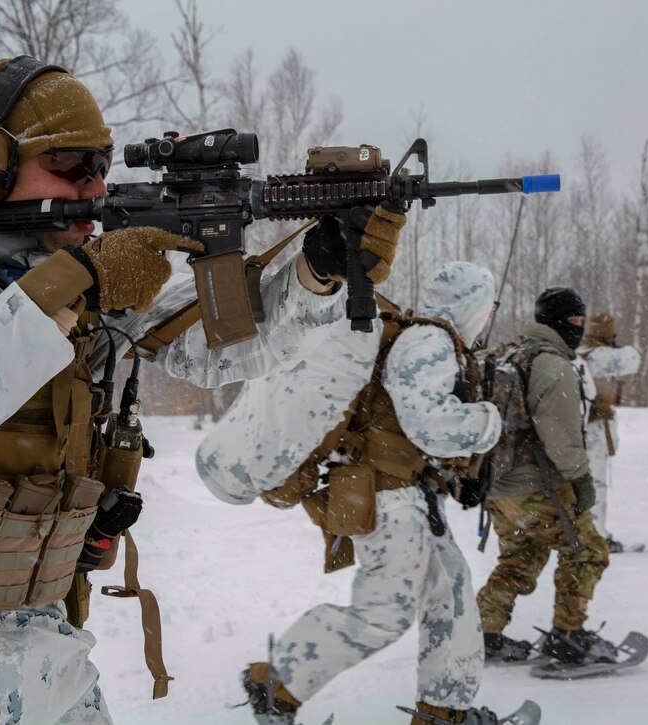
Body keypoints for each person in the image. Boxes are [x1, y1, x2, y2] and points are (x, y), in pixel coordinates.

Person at [0, 56, 404, 723]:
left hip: (38, 647)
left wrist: (316, 271)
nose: (97, 185)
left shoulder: (71, 279)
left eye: (104, 165)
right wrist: (71, 281)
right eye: (74, 165)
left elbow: (212, 349)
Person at [198, 262, 539, 725]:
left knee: (451, 596)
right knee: (382, 614)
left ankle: (445, 708)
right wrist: (486, 422)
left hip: (406, 496)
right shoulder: (431, 342)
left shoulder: (430, 338)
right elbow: (430, 425)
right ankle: (277, 683)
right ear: (474, 303)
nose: (489, 314)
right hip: (391, 500)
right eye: (489, 304)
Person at [475, 287, 615, 666]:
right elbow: (561, 433)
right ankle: (568, 636)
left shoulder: (512, 353)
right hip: (536, 488)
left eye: (582, 321)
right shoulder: (551, 364)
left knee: (521, 557)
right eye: (574, 320)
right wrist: (581, 479)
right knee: (588, 552)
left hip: (498, 489)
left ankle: (482, 635)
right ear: (555, 321)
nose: (579, 327)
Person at [578, 313, 642, 553]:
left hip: (577, 427)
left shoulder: (579, 351)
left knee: (580, 485)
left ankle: (581, 532)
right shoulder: (600, 356)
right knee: (596, 485)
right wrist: (615, 344)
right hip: (593, 428)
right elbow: (634, 359)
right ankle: (595, 536)